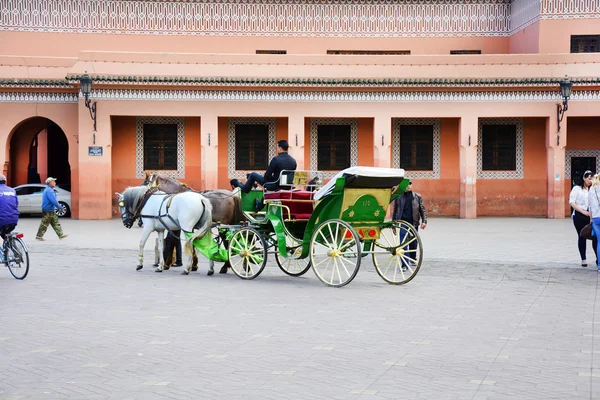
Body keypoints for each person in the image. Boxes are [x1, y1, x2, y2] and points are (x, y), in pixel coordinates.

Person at [230, 139, 297, 193]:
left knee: (253, 174)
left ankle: (242, 186)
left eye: (277, 147)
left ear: (280, 148)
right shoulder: (293, 161)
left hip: (273, 185)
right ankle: (259, 204)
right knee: (256, 176)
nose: (277, 149)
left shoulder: (276, 159)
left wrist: (263, 180)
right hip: (287, 186)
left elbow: (267, 176)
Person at [392, 180, 427, 269]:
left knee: (414, 243)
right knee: (403, 244)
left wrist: (424, 221)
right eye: (406, 184)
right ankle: (404, 264)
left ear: (412, 185)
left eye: (410, 184)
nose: (408, 186)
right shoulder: (399, 197)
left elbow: (422, 210)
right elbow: (395, 211)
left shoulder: (417, 197)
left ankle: (412, 258)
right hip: (403, 223)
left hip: (414, 223)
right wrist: (393, 225)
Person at [570, 170, 597, 267]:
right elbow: (572, 202)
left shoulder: (594, 189)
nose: (590, 180)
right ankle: (584, 259)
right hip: (579, 215)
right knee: (582, 236)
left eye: (592, 178)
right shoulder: (577, 189)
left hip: (592, 216)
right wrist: (582, 211)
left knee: (595, 237)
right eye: (588, 178)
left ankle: (598, 259)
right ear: (584, 178)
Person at [0, 173, 19, 240]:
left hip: (1, 220)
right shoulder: (12, 190)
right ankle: (9, 245)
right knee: (6, 233)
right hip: (13, 219)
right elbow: (16, 204)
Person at [589, 174, 600, 271]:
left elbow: (590, 206)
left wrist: (591, 219)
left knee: (599, 242)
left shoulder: (592, 189)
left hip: (596, 218)